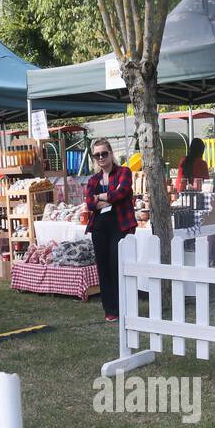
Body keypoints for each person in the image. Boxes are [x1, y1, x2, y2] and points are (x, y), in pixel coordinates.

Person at [85, 138, 134, 322]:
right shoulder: (93, 179)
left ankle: (123, 307)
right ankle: (110, 309)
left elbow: (122, 193)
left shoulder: (124, 172)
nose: (101, 157)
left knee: (116, 265)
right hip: (99, 228)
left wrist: (102, 197)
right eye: (97, 155)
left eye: (104, 153)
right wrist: (108, 198)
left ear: (111, 153)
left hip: (119, 225)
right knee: (103, 267)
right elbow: (90, 203)